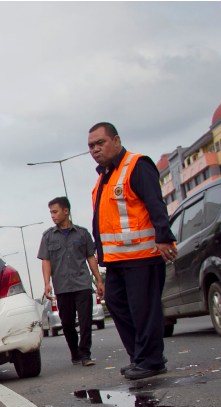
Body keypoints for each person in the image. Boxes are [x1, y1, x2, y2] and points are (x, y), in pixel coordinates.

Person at [87, 122, 177, 380]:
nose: (95, 149)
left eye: (100, 143)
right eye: (91, 146)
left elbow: (154, 203)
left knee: (144, 310)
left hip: (142, 255)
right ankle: (140, 356)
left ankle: (151, 360)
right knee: (116, 304)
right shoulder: (104, 176)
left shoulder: (136, 166)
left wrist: (163, 236)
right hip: (117, 259)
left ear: (116, 140)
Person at [37, 196, 104, 366]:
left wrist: (98, 280)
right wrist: (47, 283)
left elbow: (90, 257)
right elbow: (46, 261)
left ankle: (85, 354)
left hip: (82, 284)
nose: (52, 216)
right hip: (62, 287)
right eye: (50, 212)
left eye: (55, 211)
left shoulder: (82, 233)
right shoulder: (48, 236)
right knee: (66, 323)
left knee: (85, 320)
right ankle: (75, 352)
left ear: (66, 211)